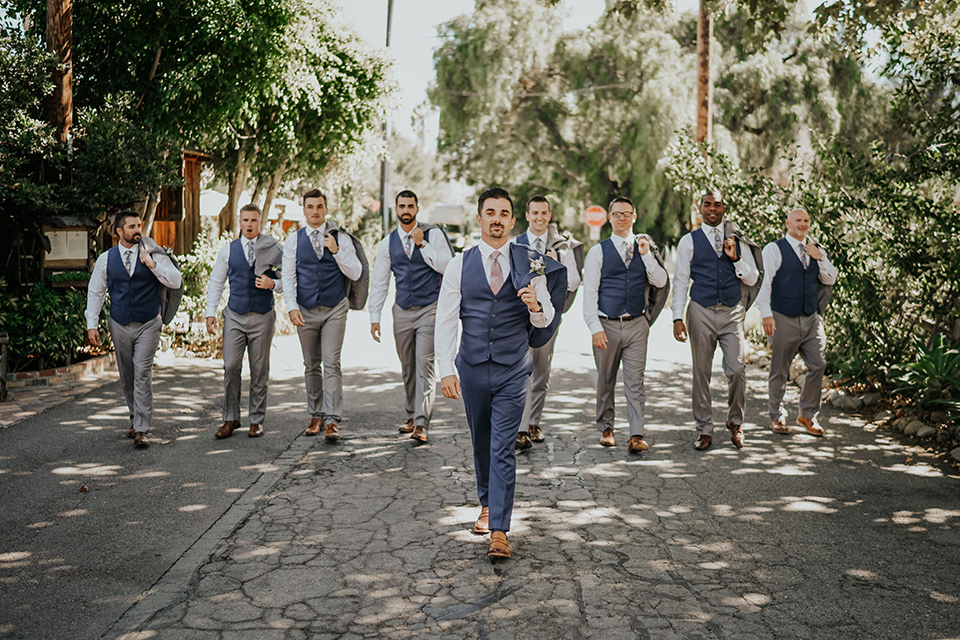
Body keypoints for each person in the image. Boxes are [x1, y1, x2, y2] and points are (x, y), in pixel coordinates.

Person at [436, 187, 566, 559]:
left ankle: (499, 530)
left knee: (502, 447)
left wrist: (536, 305)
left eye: (503, 213)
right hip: (472, 367)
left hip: (513, 369)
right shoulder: (460, 264)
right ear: (479, 219)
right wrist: (446, 370)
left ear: (512, 220)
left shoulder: (529, 263)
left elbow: (547, 319)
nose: (496, 218)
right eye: (489, 212)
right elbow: (445, 319)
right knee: (481, 442)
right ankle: (486, 502)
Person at [85, 211, 183, 447]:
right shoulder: (106, 260)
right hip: (119, 323)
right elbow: (96, 292)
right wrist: (92, 324)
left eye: (139, 225)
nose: (137, 230)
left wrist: (152, 265)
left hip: (148, 322)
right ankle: (135, 418)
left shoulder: (154, 253)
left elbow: (176, 280)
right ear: (119, 231)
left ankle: (141, 428)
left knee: (142, 373)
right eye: (131, 226)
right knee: (127, 375)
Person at [672, 190, 760, 451]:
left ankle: (735, 423)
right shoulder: (688, 242)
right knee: (701, 372)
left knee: (737, 369)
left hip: (732, 311)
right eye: (707, 204)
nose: (712, 209)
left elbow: (752, 278)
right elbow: (679, 281)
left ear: (724, 209)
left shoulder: (738, 240)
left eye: (717, 205)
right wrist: (678, 317)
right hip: (700, 309)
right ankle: (704, 429)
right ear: (701, 209)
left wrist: (736, 259)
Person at [582, 197, 669, 452]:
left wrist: (647, 256)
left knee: (635, 381)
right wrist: (595, 327)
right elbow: (590, 293)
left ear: (634, 218)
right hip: (606, 324)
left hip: (636, 325)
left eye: (626, 214)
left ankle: (636, 434)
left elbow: (661, 281)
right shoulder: (598, 251)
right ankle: (606, 428)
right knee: (605, 379)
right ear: (610, 217)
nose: (621, 218)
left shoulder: (646, 249)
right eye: (617, 214)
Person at [369, 189, 453, 443]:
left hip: (430, 308)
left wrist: (422, 244)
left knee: (424, 364)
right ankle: (412, 414)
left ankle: (421, 423)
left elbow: (447, 266)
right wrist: (375, 316)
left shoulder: (433, 234)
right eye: (402, 206)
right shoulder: (388, 242)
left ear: (417, 209)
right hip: (402, 310)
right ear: (396, 210)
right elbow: (380, 281)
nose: (406, 210)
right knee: (407, 367)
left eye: (410, 206)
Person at [282, 189, 363, 441]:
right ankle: (316, 415)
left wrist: (337, 250)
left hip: (334, 309)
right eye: (310, 207)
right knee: (311, 365)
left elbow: (356, 272)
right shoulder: (294, 240)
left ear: (326, 209)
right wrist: (291, 306)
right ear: (304, 210)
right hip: (305, 309)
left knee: (331, 362)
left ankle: (332, 420)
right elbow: (287, 276)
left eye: (319, 207)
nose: (314, 211)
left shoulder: (340, 237)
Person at [756, 207, 838, 436]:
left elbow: (830, 278)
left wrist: (819, 257)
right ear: (787, 223)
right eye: (798, 220)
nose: (802, 224)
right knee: (780, 369)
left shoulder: (816, 249)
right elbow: (765, 283)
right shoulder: (774, 249)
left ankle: (807, 415)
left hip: (811, 318)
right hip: (782, 317)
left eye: (806, 220)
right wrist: (766, 314)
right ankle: (777, 415)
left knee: (818, 363)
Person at [204, 203, 283, 440]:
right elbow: (216, 282)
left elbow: (290, 278)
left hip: (262, 316)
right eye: (245, 220)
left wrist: (274, 285)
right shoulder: (228, 251)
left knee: (259, 370)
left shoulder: (274, 248)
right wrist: (210, 312)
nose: (249, 225)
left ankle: (256, 420)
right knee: (230, 366)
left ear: (261, 223)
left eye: (254, 221)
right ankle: (230, 418)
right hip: (235, 315)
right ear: (240, 222)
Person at [512, 195, 582, 449]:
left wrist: (556, 263)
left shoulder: (562, 247)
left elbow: (573, 282)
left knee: (541, 370)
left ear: (549, 216)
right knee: (520, 370)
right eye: (535, 213)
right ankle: (519, 429)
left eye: (544, 213)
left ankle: (534, 422)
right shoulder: (515, 244)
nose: (539, 218)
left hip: (548, 317)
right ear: (527, 215)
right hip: (519, 317)